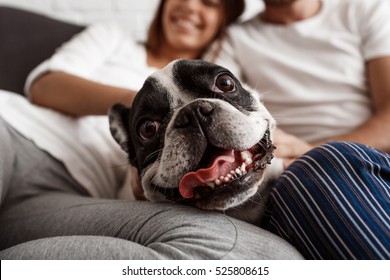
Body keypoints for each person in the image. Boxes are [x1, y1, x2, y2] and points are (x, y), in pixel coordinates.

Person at [0, 0, 304, 260]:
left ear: (222, 22)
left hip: (63, 195)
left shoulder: (223, 63)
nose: (189, 6)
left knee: (245, 250)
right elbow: (45, 86)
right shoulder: (114, 37)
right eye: (148, 128)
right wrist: (145, 104)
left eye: (209, 2)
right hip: (15, 132)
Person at [216, 0, 390, 259]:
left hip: (370, 161)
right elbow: (205, 98)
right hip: (293, 175)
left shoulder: (365, 10)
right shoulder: (236, 39)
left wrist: (313, 151)